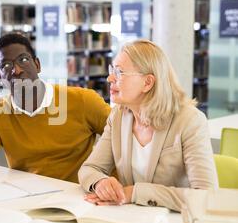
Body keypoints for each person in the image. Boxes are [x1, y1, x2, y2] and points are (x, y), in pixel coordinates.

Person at [78, 39, 218, 212]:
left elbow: (206, 196)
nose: (109, 78)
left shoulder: (190, 121)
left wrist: (135, 193)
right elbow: (90, 168)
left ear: (148, 83)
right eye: (112, 70)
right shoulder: (118, 117)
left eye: (120, 72)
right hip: (131, 218)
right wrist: (100, 182)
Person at [0, 32, 111, 182]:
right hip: (30, 200)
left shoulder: (83, 100)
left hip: (81, 197)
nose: (16, 70)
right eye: (6, 65)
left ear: (37, 65)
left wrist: (109, 185)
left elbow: (123, 137)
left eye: (23, 60)